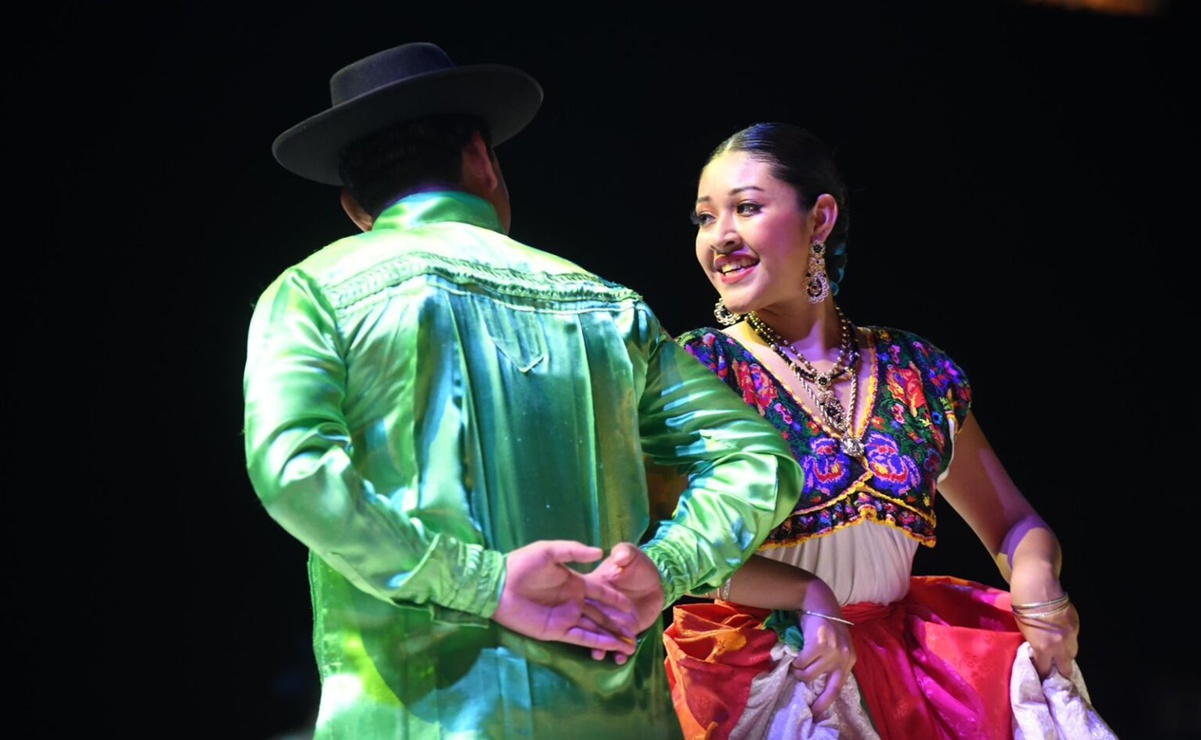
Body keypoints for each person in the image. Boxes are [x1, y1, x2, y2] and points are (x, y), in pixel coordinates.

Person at [241, 43, 810, 739]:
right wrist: (665, 567)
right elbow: (758, 459)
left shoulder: (315, 292)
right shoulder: (608, 308)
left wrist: (481, 583)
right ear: (482, 160)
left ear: (354, 204)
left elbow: (293, 470)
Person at [658, 121, 1117, 739]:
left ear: (820, 220)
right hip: (766, 670)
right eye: (704, 219)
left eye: (745, 208)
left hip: (907, 669)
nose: (720, 237)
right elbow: (673, 543)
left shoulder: (914, 372)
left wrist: (1037, 581)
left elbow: (1014, 523)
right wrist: (808, 594)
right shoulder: (702, 370)